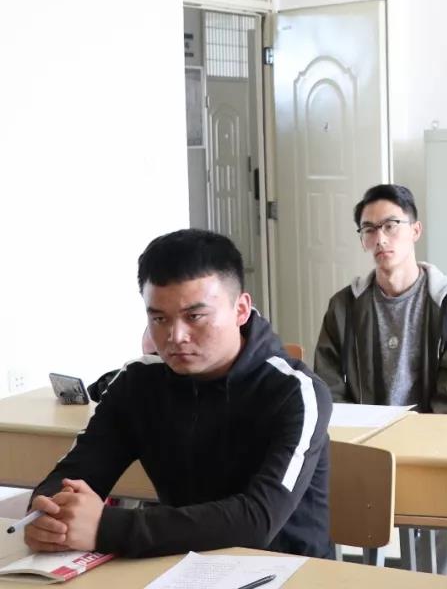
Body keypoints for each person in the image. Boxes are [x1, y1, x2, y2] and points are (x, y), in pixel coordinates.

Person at [25, 229, 334, 559]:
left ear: (241, 309)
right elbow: (74, 473)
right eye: (159, 318)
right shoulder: (137, 383)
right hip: (179, 563)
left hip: (288, 569)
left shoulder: (296, 391)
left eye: (194, 316)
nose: (175, 336)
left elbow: (257, 520)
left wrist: (106, 527)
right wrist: (49, 512)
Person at [313, 183, 447, 576]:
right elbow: (327, 384)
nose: (381, 238)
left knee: (443, 542)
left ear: (415, 230)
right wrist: (356, 441)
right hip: (367, 445)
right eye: (369, 229)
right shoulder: (344, 306)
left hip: (436, 447)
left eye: (391, 225)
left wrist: (425, 443)